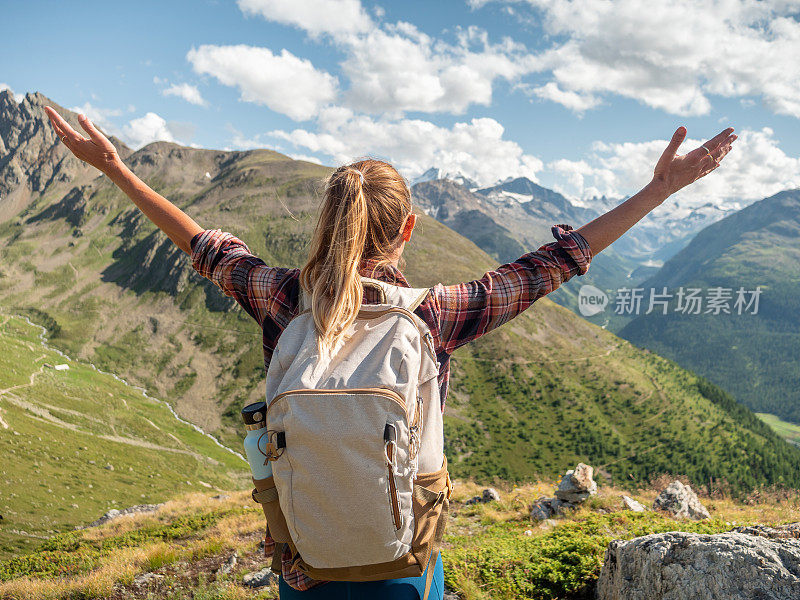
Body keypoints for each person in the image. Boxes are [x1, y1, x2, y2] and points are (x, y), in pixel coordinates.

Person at [45, 106, 736, 599]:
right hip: (403, 566)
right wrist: (660, 188)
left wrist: (114, 169)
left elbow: (204, 247)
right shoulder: (435, 316)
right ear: (407, 228)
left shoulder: (281, 299)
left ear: (327, 223)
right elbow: (554, 262)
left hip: (303, 560)